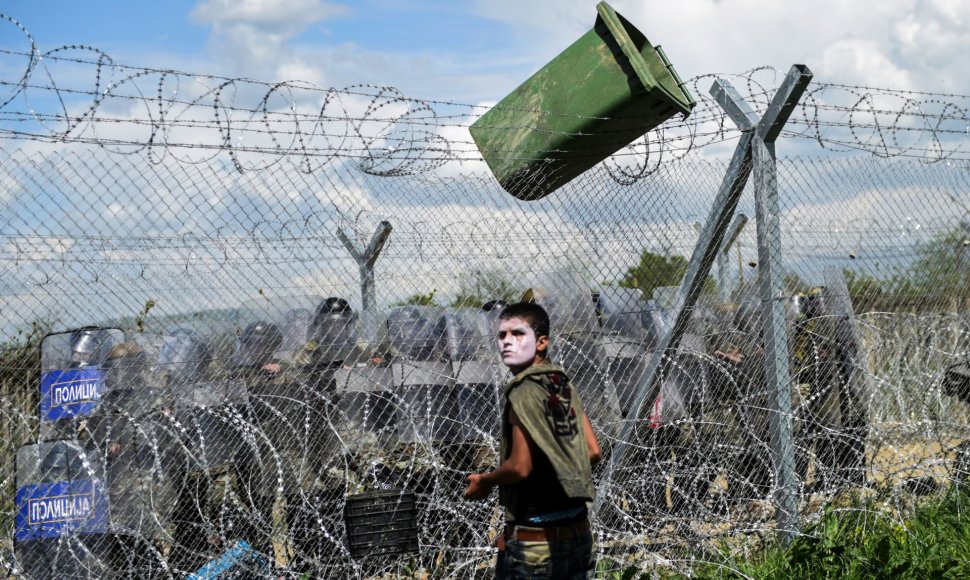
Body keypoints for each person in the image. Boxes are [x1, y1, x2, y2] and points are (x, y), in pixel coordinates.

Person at [463, 302, 601, 579]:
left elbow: (520, 467)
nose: (507, 343)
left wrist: (485, 480)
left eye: (518, 334)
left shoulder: (524, 390)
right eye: (502, 336)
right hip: (577, 533)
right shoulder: (559, 383)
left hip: (535, 544)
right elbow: (592, 451)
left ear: (542, 342)